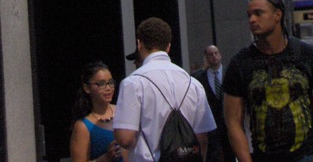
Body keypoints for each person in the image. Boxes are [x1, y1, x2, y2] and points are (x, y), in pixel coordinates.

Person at [222, 0, 313, 162]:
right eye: (249, 15)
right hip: (264, 156)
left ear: (277, 14)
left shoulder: (306, 55)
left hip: (306, 154)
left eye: (258, 13)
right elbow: (233, 122)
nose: (252, 20)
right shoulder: (241, 64)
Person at [114, 17, 216, 161]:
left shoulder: (133, 83)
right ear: (168, 46)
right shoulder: (193, 84)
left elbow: (125, 139)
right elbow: (202, 139)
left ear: (139, 44)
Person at [70, 60, 125, 162]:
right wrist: (105, 158)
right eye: (101, 84)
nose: (108, 88)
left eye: (111, 83)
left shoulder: (123, 111)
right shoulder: (83, 126)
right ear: (87, 88)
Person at [192, 44, 235, 162]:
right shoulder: (200, 77)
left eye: (216, 53)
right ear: (206, 58)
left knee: (229, 155)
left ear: (220, 55)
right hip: (211, 125)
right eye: (210, 55)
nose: (214, 57)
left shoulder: (230, 73)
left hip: (228, 124)